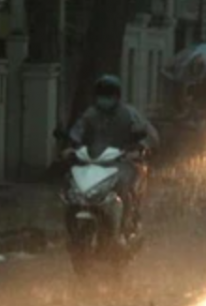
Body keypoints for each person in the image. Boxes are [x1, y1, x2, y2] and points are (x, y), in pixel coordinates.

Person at [66, 74, 159, 229]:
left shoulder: (128, 114)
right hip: (94, 163)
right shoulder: (90, 115)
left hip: (122, 162)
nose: (105, 98)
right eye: (101, 94)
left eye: (109, 94)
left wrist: (140, 148)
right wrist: (70, 148)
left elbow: (149, 136)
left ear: (117, 96)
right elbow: (77, 133)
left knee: (124, 186)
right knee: (70, 184)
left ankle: (125, 225)